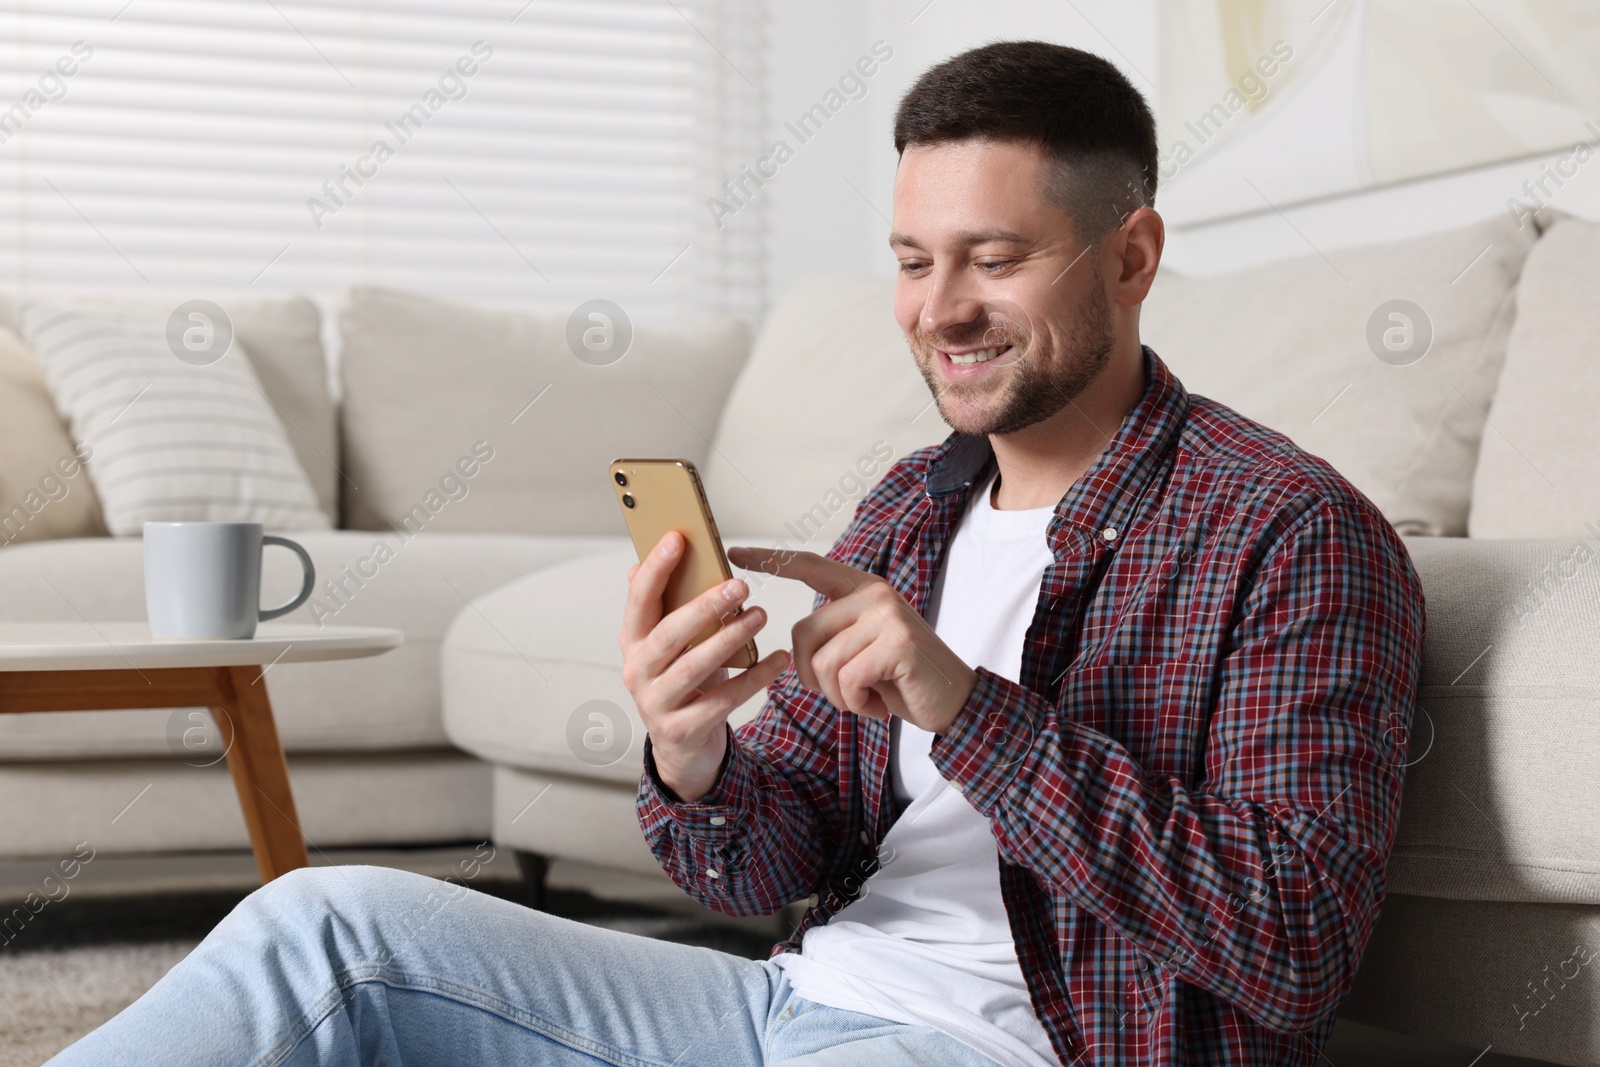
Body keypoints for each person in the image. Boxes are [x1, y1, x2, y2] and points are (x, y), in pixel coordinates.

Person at [46, 40, 1424, 1067]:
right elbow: (767, 874)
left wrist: (964, 709)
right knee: (323, 934)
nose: (937, 311)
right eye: (909, 258)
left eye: (992, 259)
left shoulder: (1289, 534)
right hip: (781, 1008)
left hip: (1018, 1049)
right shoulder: (911, 510)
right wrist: (693, 756)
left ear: (1131, 258)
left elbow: (1290, 944)